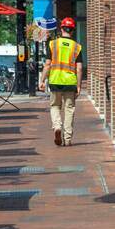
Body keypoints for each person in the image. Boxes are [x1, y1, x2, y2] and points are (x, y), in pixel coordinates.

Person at [40, 17, 83, 147]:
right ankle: (68, 138)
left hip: (55, 81)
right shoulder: (77, 47)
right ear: (73, 30)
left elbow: (47, 65)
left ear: (61, 28)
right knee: (69, 109)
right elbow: (79, 68)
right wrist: (79, 86)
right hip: (70, 82)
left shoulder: (53, 44)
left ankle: (57, 127)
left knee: (55, 106)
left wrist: (42, 80)